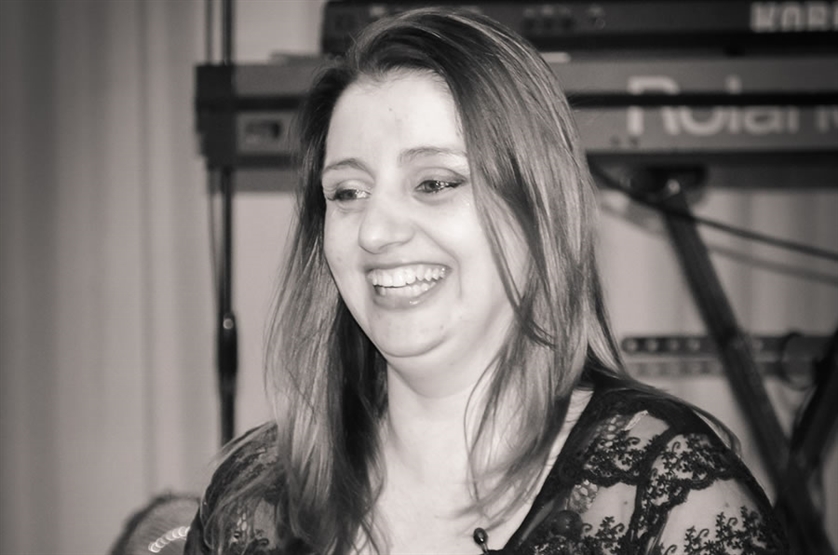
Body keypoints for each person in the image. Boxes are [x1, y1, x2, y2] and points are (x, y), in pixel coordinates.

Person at [185, 8, 788, 555]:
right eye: (347, 192)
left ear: (540, 209)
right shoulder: (251, 499)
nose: (375, 231)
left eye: (435, 183)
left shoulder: (665, 492)